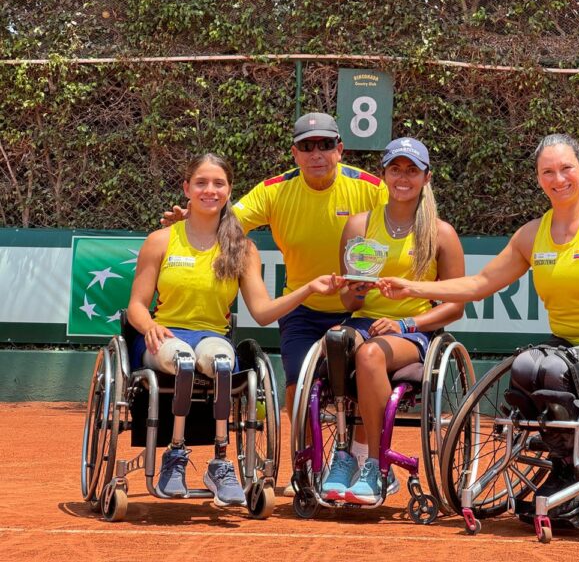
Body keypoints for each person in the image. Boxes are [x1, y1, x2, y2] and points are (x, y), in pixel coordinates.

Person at [379, 133, 579, 519]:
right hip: (564, 345)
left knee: (548, 367)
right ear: (538, 178)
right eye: (548, 171)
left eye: (566, 168)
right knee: (526, 365)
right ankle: (565, 462)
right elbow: (479, 285)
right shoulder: (532, 235)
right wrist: (411, 286)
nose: (558, 178)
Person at [163, 113, 387, 496]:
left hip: (362, 306)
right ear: (294, 153)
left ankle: (361, 458)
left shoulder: (370, 188)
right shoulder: (274, 190)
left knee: (357, 382)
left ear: (340, 149)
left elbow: (403, 222)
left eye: (325, 145)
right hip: (304, 308)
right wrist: (192, 218)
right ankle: (303, 464)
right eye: (306, 146)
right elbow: (225, 220)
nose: (316, 153)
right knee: (298, 383)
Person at [129, 153, 341, 506]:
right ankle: (175, 455)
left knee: (225, 363)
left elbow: (261, 312)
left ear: (229, 191)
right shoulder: (161, 240)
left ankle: (220, 462)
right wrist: (149, 325)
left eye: (218, 184)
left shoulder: (241, 248)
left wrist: (307, 289)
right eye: (201, 183)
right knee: (183, 358)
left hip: (212, 336)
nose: (209, 190)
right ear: (186, 188)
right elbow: (136, 304)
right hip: (166, 335)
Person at [320, 137, 466, 505]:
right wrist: (351, 289)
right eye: (396, 169)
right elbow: (347, 300)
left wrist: (406, 324)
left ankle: (375, 464)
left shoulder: (441, 233)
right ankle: (341, 453)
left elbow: (456, 306)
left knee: (370, 355)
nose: (403, 177)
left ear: (426, 177)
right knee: (334, 341)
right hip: (363, 322)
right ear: (384, 174)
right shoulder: (359, 226)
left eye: (412, 170)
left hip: (413, 333)